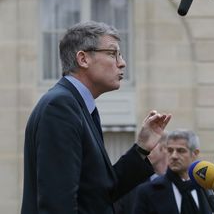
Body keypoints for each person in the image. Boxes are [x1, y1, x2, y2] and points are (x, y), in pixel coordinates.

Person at [21, 21, 172, 214]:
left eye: (120, 55)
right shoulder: (60, 106)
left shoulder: (78, 105)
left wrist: (141, 148)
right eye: (112, 53)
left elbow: (99, 193)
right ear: (83, 59)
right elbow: (57, 204)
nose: (122, 62)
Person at [133, 129, 212, 214]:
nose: (174, 156)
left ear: (195, 154)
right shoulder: (147, 191)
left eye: (181, 151)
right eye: (170, 150)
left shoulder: (206, 189)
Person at [114, 135, 169, 214]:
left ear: (164, 148)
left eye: (151, 145)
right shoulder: (131, 185)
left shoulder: (178, 182)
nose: (145, 151)